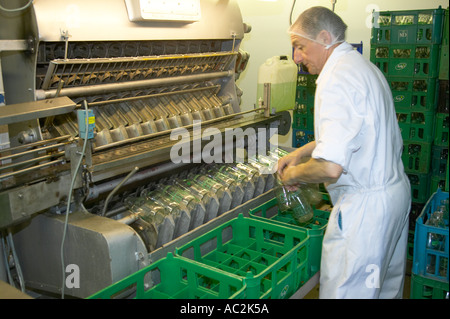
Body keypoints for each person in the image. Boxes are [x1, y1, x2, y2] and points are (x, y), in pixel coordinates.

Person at [277, 6, 411, 299]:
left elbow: (330, 167)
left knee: (349, 292)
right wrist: (301, 152)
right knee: (383, 288)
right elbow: (356, 131)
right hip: (393, 196)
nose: (297, 57)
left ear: (324, 37)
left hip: (365, 213)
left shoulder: (334, 78)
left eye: (300, 46)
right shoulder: (361, 67)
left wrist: (294, 174)